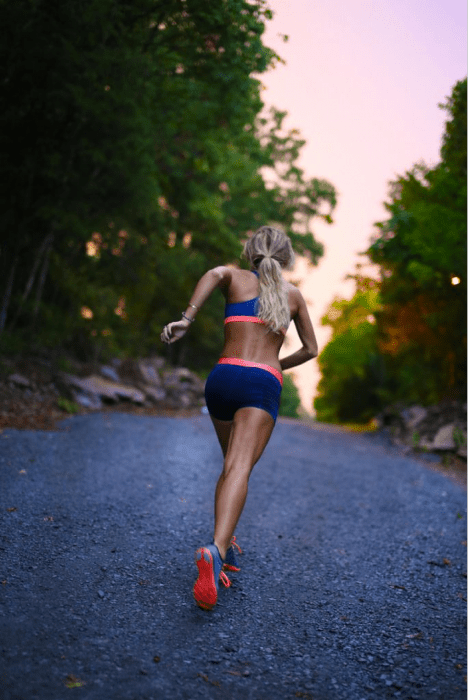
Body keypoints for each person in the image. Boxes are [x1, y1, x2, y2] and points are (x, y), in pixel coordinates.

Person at [160, 226, 318, 610]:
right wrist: (273, 366)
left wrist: (186, 320)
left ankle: (224, 546)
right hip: (259, 386)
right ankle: (215, 550)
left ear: (250, 253)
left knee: (229, 465)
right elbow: (312, 349)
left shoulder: (236, 278)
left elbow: (214, 273)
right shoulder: (292, 295)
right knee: (239, 468)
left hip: (222, 378)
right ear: (286, 258)